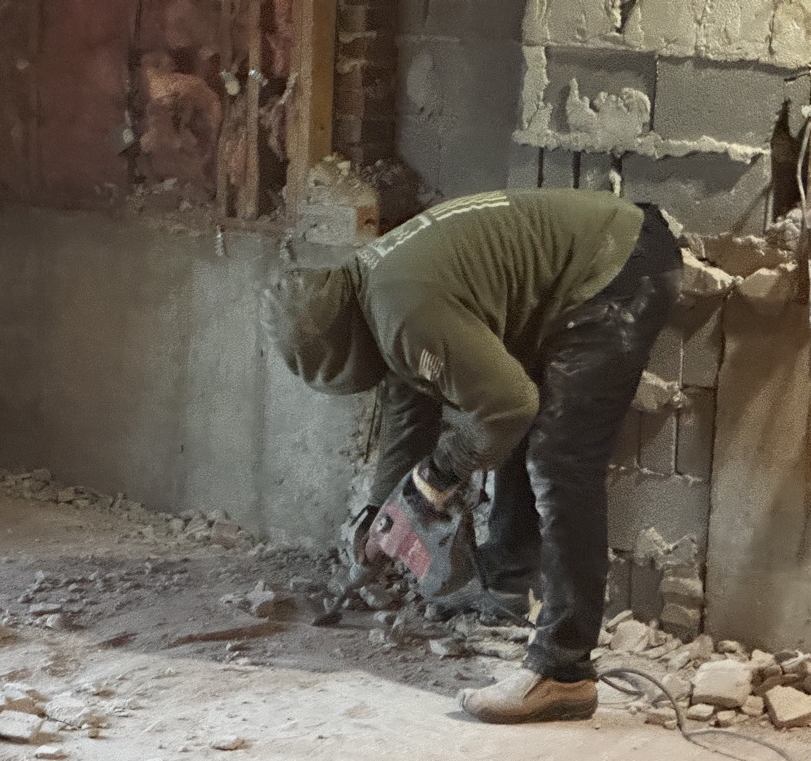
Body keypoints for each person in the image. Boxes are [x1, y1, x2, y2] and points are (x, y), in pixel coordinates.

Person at [263, 188, 682, 724]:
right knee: (516, 423)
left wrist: (435, 478)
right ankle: (509, 584)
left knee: (559, 458)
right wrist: (382, 515)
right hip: (604, 262)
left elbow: (507, 409)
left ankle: (563, 671)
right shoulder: (369, 293)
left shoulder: (402, 310)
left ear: (346, 354)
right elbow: (408, 418)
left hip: (616, 271)